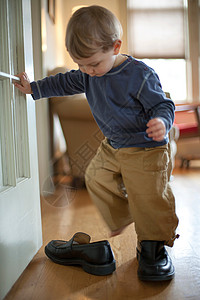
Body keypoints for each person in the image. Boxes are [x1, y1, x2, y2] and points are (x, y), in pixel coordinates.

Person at [14, 5, 179, 281]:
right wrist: (35, 88)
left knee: (151, 197)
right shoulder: (88, 73)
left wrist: (161, 122)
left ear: (116, 47)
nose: (87, 72)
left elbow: (163, 104)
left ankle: (154, 247)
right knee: (96, 176)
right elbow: (64, 83)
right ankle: (127, 215)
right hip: (114, 144)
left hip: (147, 148)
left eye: (93, 64)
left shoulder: (139, 75)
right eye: (81, 65)